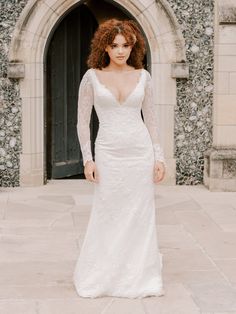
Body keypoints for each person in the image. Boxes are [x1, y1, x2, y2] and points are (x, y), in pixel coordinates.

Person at [73, 18, 166, 299]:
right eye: (114, 45)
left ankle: (140, 276)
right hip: (109, 153)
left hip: (140, 153)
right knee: (108, 211)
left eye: (125, 45)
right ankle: (104, 275)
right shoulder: (91, 77)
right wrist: (87, 159)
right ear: (105, 46)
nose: (120, 51)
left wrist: (158, 157)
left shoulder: (144, 77)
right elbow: (82, 122)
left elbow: (151, 120)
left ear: (133, 46)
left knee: (140, 215)